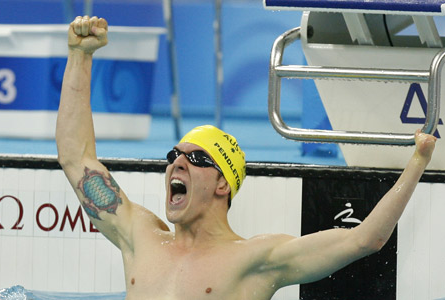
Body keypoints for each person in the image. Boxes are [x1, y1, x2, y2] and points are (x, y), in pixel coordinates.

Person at [56, 16, 437, 300]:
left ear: (223, 183)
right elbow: (76, 158)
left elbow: (365, 239)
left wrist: (418, 160)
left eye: (197, 158)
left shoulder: (257, 260)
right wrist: (80, 56)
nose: (177, 163)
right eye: (174, 155)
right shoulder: (139, 237)